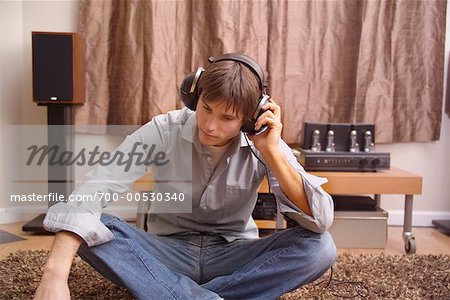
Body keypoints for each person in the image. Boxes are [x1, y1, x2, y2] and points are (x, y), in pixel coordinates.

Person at [34, 53, 336, 300]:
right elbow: (94, 188)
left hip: (232, 252)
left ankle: (170, 293)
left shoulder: (264, 141)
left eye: (227, 118)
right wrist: (54, 275)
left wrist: (271, 152)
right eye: (206, 109)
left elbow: (319, 218)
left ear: (249, 118)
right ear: (195, 96)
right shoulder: (164, 129)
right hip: (164, 251)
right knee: (95, 227)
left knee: (320, 247)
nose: (211, 125)